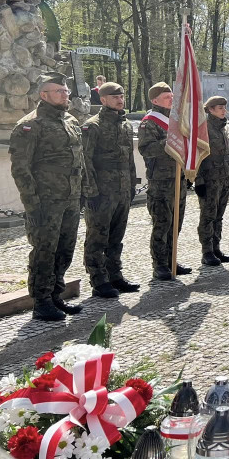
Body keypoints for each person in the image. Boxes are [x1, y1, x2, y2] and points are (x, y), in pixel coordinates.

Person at [9, 73, 85, 321]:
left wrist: (82, 192)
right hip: (46, 201)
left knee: (65, 248)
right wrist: (32, 204)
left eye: (66, 91)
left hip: (70, 197)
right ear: (44, 95)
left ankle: (55, 295)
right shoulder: (30, 125)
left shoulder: (70, 121)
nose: (65, 95)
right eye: (59, 91)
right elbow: (21, 169)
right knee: (45, 250)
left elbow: (79, 160)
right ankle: (41, 301)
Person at [81, 82, 139, 298]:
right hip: (101, 192)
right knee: (97, 237)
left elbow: (129, 159)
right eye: (114, 97)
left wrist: (131, 185)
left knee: (116, 236)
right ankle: (98, 280)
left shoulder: (125, 125)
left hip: (121, 189)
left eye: (121, 96)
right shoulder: (92, 126)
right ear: (103, 99)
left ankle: (115, 275)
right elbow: (85, 160)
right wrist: (90, 191)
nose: (119, 100)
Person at [139, 82, 193, 280]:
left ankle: (172, 259)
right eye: (166, 97)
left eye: (172, 96)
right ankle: (160, 264)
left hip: (178, 179)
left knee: (176, 223)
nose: (171, 99)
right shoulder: (150, 122)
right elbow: (147, 149)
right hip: (161, 181)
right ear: (155, 100)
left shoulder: (175, 120)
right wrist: (171, 140)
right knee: (162, 224)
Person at [194, 96, 229, 266]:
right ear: (210, 110)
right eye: (220, 108)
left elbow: (227, 154)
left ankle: (216, 247)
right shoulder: (203, 128)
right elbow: (197, 156)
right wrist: (199, 181)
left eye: (224, 108)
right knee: (208, 216)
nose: (224, 111)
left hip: (224, 177)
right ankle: (207, 251)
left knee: (219, 216)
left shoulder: (225, 127)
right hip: (209, 178)